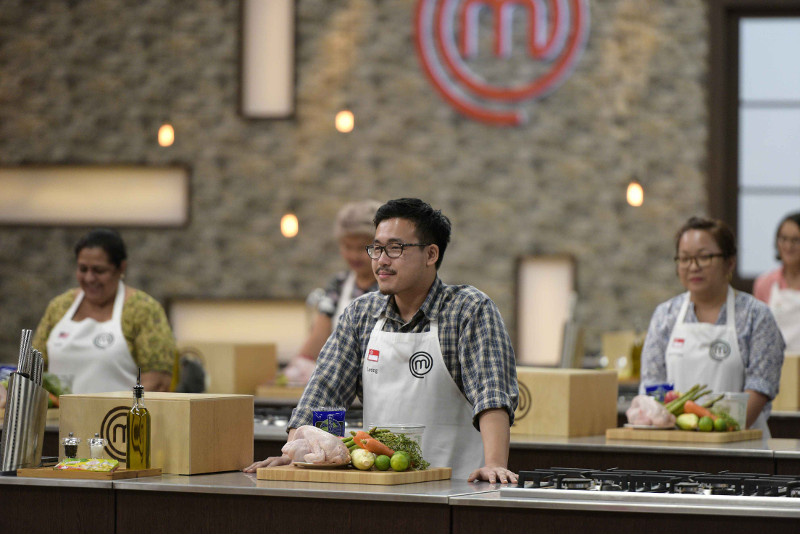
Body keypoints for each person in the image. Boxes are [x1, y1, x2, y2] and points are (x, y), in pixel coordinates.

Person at [246, 198, 519, 482]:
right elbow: (325, 397)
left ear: (431, 254)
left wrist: (495, 464)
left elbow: (491, 396)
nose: (381, 260)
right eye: (376, 248)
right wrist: (296, 454)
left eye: (395, 248)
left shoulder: (468, 310)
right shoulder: (360, 314)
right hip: (380, 485)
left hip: (457, 487)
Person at [639, 216, 784, 436]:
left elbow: (761, 386)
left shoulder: (757, 316)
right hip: (673, 443)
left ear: (730, 262)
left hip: (740, 447)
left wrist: (719, 431)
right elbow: (653, 385)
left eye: (704, 257)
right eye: (685, 258)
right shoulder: (665, 315)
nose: (693, 267)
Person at [32, 228, 175, 393]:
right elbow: (33, 370)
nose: (89, 278)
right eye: (83, 269)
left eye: (99, 270)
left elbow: (158, 382)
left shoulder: (143, 309)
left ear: (121, 268)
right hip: (58, 418)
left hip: (118, 417)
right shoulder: (59, 307)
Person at [281, 200, 382, 384]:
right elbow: (320, 334)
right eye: (347, 246)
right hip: (342, 384)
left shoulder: (392, 286)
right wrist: (297, 367)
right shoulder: (340, 285)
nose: (353, 255)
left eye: (361, 248)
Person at [754, 211, 800, 355]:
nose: (788, 246)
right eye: (783, 239)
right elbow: (758, 331)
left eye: (795, 240)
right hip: (775, 367)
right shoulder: (765, 283)